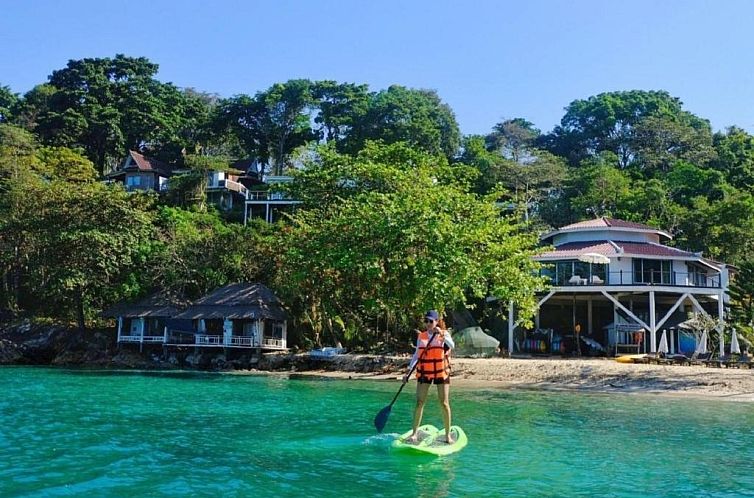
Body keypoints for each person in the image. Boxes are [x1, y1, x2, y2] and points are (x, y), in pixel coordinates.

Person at [404, 310, 455, 444]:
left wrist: (442, 336)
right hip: (425, 372)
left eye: (430, 321)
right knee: (419, 402)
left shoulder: (444, 334)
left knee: (444, 403)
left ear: (436, 321)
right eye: (426, 321)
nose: (428, 324)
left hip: (440, 372)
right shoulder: (421, 336)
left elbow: (452, 345)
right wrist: (408, 371)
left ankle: (447, 435)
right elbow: (417, 355)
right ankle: (414, 434)